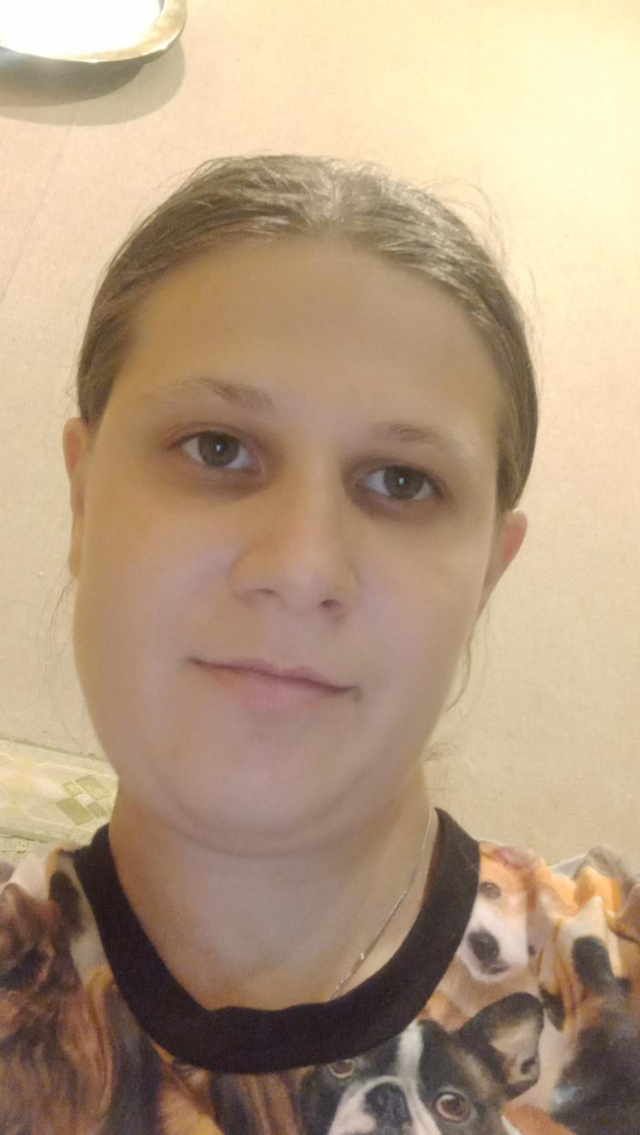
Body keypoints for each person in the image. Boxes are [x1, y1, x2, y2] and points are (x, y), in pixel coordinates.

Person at [1, 153, 638, 1135]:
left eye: (400, 481)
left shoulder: (605, 997)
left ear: (487, 572)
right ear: (84, 497)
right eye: (217, 447)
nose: (300, 566)